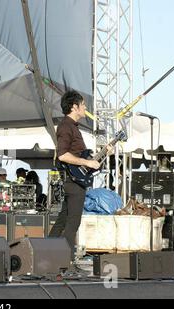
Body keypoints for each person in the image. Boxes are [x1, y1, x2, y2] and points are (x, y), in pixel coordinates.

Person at [48, 90, 101, 260]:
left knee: (63, 220)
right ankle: (66, 261)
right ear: (74, 106)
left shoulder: (72, 127)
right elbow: (63, 155)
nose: (85, 107)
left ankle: (44, 254)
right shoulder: (66, 126)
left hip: (76, 181)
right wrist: (87, 163)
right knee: (73, 222)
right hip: (73, 182)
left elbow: (83, 158)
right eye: (83, 104)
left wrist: (103, 154)